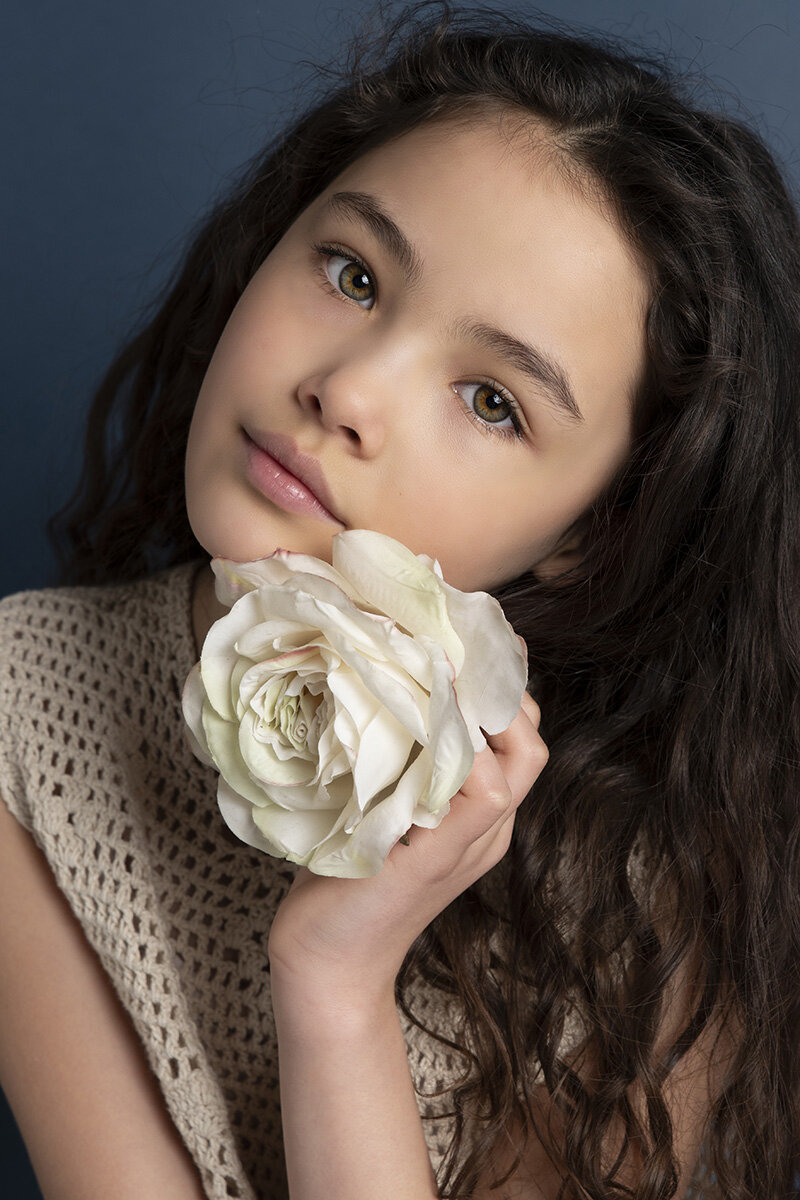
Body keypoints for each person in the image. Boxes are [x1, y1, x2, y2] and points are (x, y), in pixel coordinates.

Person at [1, 1, 798, 1196]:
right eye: (353, 272)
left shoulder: (678, 877)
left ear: (590, 532)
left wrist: (334, 989)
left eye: (491, 401)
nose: (346, 390)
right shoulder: (24, 707)